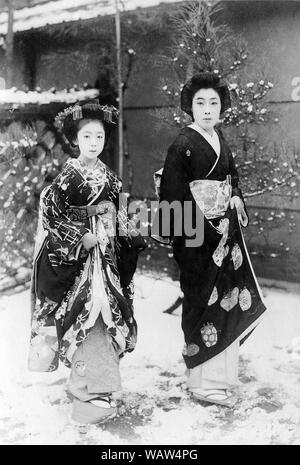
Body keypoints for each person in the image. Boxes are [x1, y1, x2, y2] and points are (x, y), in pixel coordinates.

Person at [29, 101, 145, 424]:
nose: (94, 143)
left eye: (99, 137)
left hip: (105, 258)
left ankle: (103, 388)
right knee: (86, 310)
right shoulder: (68, 176)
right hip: (78, 263)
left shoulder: (110, 178)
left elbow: (121, 212)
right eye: (87, 137)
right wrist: (80, 236)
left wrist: (128, 235)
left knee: (107, 312)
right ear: (76, 141)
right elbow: (52, 213)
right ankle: (84, 392)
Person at [156, 72, 267, 407]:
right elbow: (173, 198)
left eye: (213, 103)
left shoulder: (220, 138)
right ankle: (200, 380)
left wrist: (235, 198)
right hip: (197, 242)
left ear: (222, 107)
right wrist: (191, 244)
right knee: (200, 299)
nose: (207, 109)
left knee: (225, 302)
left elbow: (232, 176)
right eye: (200, 102)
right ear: (190, 106)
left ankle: (217, 377)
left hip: (223, 237)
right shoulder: (182, 145)